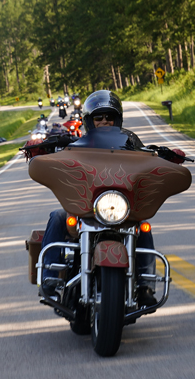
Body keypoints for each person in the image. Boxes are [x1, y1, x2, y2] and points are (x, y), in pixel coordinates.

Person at [38, 90, 172, 307]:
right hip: (86, 205)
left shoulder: (130, 144)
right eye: (98, 117)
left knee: (143, 226)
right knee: (57, 216)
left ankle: (145, 285)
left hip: (120, 206)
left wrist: (163, 155)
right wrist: (50, 148)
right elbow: (60, 155)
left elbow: (148, 158)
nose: (104, 121)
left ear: (117, 119)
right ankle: (51, 279)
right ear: (90, 121)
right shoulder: (77, 144)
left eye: (109, 116)